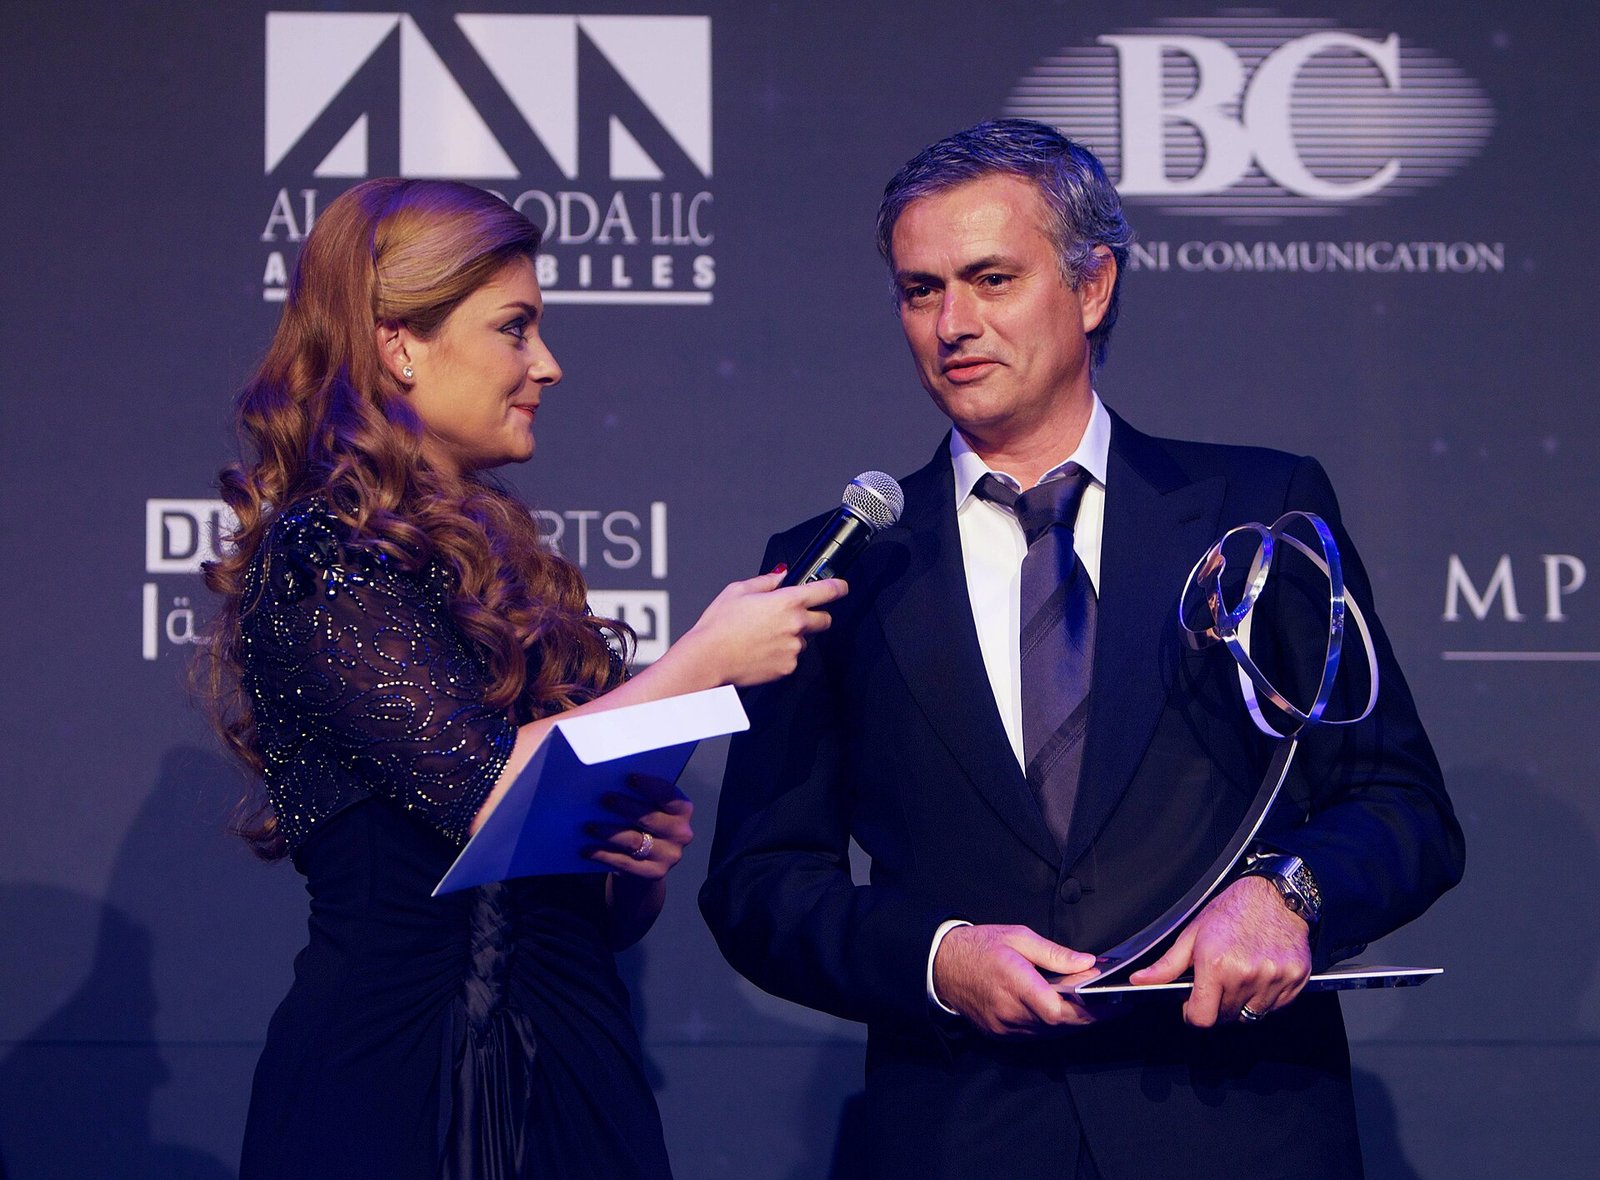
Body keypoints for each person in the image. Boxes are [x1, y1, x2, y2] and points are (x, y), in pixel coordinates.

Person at [700, 120, 1464, 1178]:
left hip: (1237, 1124)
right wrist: (937, 957)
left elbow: (1399, 805)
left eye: (990, 278)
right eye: (921, 291)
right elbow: (759, 885)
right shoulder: (835, 562)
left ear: (1092, 286)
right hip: (962, 1132)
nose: (953, 324)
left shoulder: (1257, 507)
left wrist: (1288, 893)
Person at [201, 177, 845, 1179]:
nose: (545, 364)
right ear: (397, 341)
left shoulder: (518, 569)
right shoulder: (320, 556)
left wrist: (628, 861)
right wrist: (698, 663)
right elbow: (485, 784)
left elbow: (579, 901)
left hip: (573, 1064)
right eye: (515, 328)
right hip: (395, 1081)